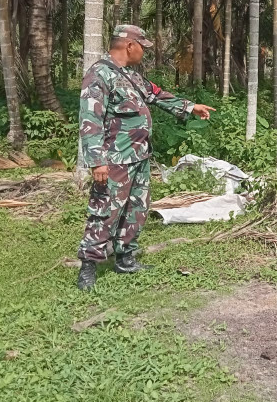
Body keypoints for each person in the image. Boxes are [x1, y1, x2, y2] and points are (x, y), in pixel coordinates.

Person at [76, 24, 215, 290]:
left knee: (136, 209)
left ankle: (126, 258)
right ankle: (88, 266)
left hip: (139, 157)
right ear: (130, 46)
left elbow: (156, 94)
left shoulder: (130, 76)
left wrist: (190, 107)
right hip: (115, 159)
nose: (144, 51)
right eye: (142, 46)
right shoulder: (99, 75)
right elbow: (90, 119)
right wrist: (96, 161)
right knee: (105, 210)